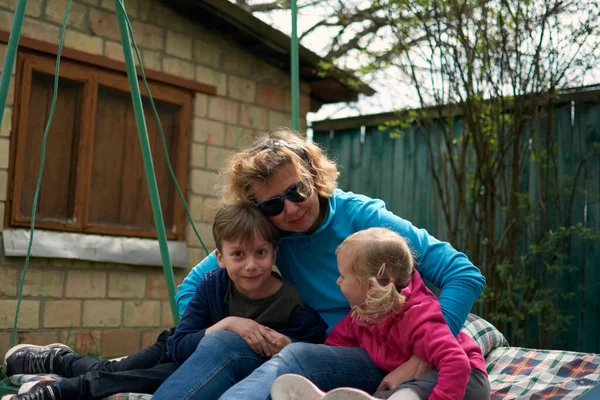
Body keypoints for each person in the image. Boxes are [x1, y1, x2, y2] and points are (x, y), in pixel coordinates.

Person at [154, 127, 486, 400]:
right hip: (323, 347)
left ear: (313, 175)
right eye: (272, 205)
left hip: (382, 350)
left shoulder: (363, 219)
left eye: (298, 191)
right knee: (223, 340)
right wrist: (235, 324)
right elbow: (191, 290)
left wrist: (420, 358)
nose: (292, 210)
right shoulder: (271, 235)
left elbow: (463, 274)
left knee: (298, 356)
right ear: (257, 210)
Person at [1, 204, 327, 400]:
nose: (251, 265)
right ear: (220, 258)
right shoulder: (213, 285)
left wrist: (288, 344)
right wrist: (227, 324)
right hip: (173, 347)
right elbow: (181, 343)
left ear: (275, 253)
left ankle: (61, 390)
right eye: (238, 255)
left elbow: (313, 343)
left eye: (261, 253)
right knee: (112, 368)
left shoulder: (291, 301)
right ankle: (61, 362)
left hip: (201, 369)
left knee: (131, 379)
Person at [270, 228, 490, 400]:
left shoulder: (419, 318)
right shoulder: (362, 316)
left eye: (343, 276)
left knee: (406, 394)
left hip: (465, 381)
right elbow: (335, 351)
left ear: (368, 286)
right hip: (418, 382)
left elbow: (456, 363)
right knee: (385, 395)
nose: (337, 282)